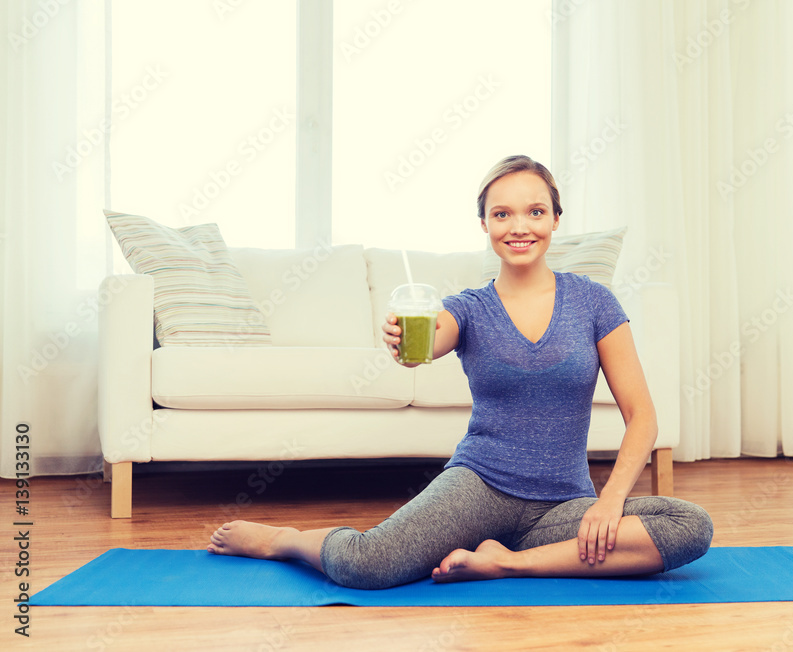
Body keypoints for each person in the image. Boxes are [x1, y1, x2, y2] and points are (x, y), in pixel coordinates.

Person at [207, 155, 713, 589]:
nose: (520, 227)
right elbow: (430, 340)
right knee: (365, 565)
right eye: (503, 214)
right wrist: (408, 344)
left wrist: (609, 502)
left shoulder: (594, 302)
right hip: (480, 487)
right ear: (485, 225)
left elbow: (642, 415)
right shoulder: (468, 309)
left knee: (689, 526)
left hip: (563, 504)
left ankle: (507, 563)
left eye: (535, 211)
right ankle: (285, 542)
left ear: (556, 219)